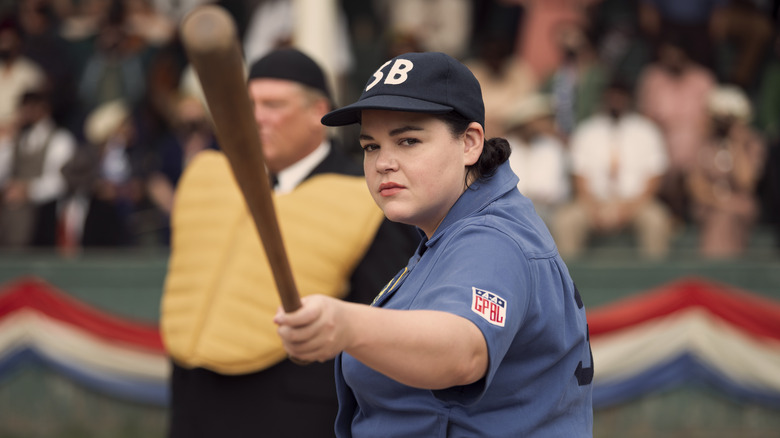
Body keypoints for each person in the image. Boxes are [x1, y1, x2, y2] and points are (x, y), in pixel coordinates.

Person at [275, 51, 593, 437]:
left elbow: (462, 352)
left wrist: (345, 324)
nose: (383, 163)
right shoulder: (448, 229)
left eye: (408, 140)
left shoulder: (492, 238)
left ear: (470, 143)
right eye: (371, 146)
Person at [160, 48, 418, 438]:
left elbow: (385, 323)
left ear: (318, 110)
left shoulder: (369, 195)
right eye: (249, 104)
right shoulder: (211, 177)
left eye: (273, 104)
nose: (256, 117)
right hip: (194, 402)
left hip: (293, 414)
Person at [553, 80, 672, 259]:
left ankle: (654, 282)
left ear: (629, 99)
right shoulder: (587, 130)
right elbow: (579, 177)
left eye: (620, 97)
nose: (616, 101)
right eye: (612, 97)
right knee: (565, 221)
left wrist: (629, 208)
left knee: (656, 221)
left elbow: (654, 178)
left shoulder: (647, 131)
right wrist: (594, 207)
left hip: (637, 202)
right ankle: (568, 283)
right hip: (593, 202)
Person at [687, 85, 765, 258]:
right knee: (722, 215)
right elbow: (695, 184)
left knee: (728, 215)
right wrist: (720, 201)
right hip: (708, 205)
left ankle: (718, 270)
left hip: (740, 207)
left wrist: (736, 144)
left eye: (730, 119)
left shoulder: (752, 143)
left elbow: (746, 183)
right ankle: (718, 270)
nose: (724, 124)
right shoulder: (702, 142)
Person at [0, 88, 76, 247]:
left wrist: (28, 190)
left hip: (44, 218)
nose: (25, 112)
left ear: (43, 108)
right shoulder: (17, 139)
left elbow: (61, 182)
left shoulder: (60, 140)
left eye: (30, 107)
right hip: (11, 218)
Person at [503, 93, 570, 226]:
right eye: (539, 119)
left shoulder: (552, 148)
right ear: (526, 122)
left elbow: (559, 190)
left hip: (549, 210)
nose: (545, 124)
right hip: (510, 210)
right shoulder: (503, 148)